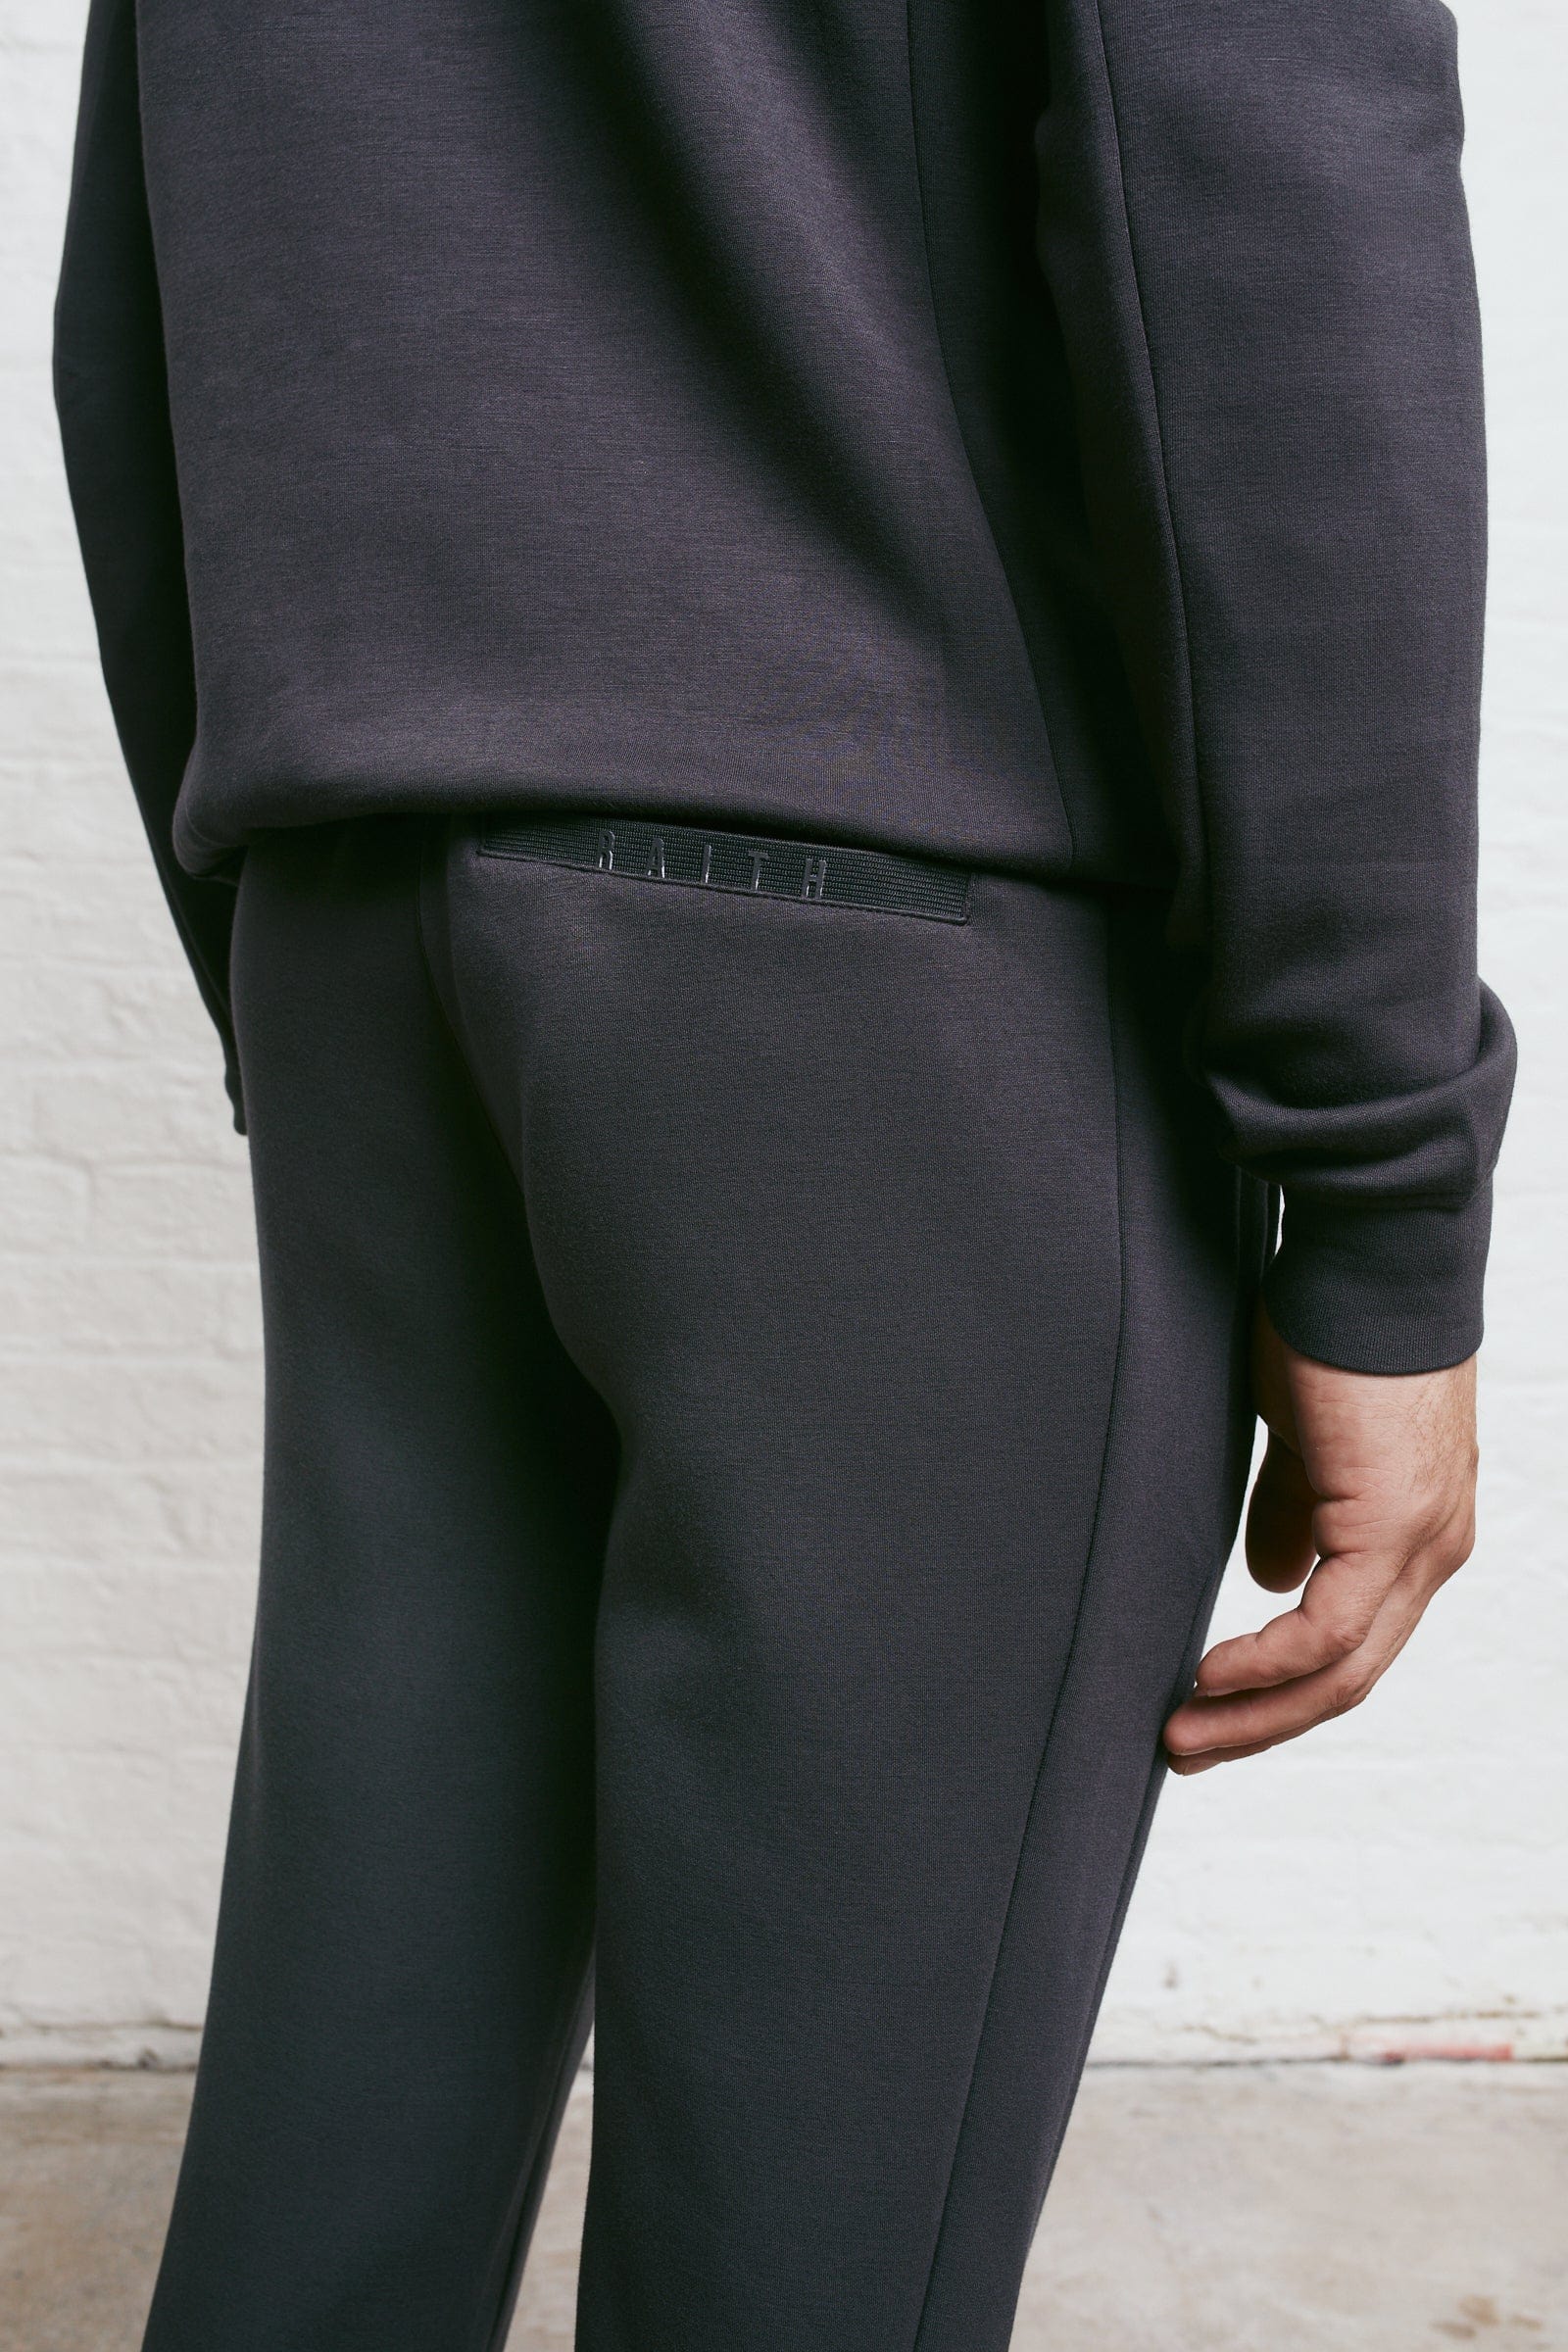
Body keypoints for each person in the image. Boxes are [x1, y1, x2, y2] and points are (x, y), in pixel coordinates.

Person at [54, 0, 1514, 2345]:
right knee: (816, 2257)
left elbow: (139, 279)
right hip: (894, 988)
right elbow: (1265, 233)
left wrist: (298, 916)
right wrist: (1376, 1193)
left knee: (335, 2170)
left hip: (365, 916)